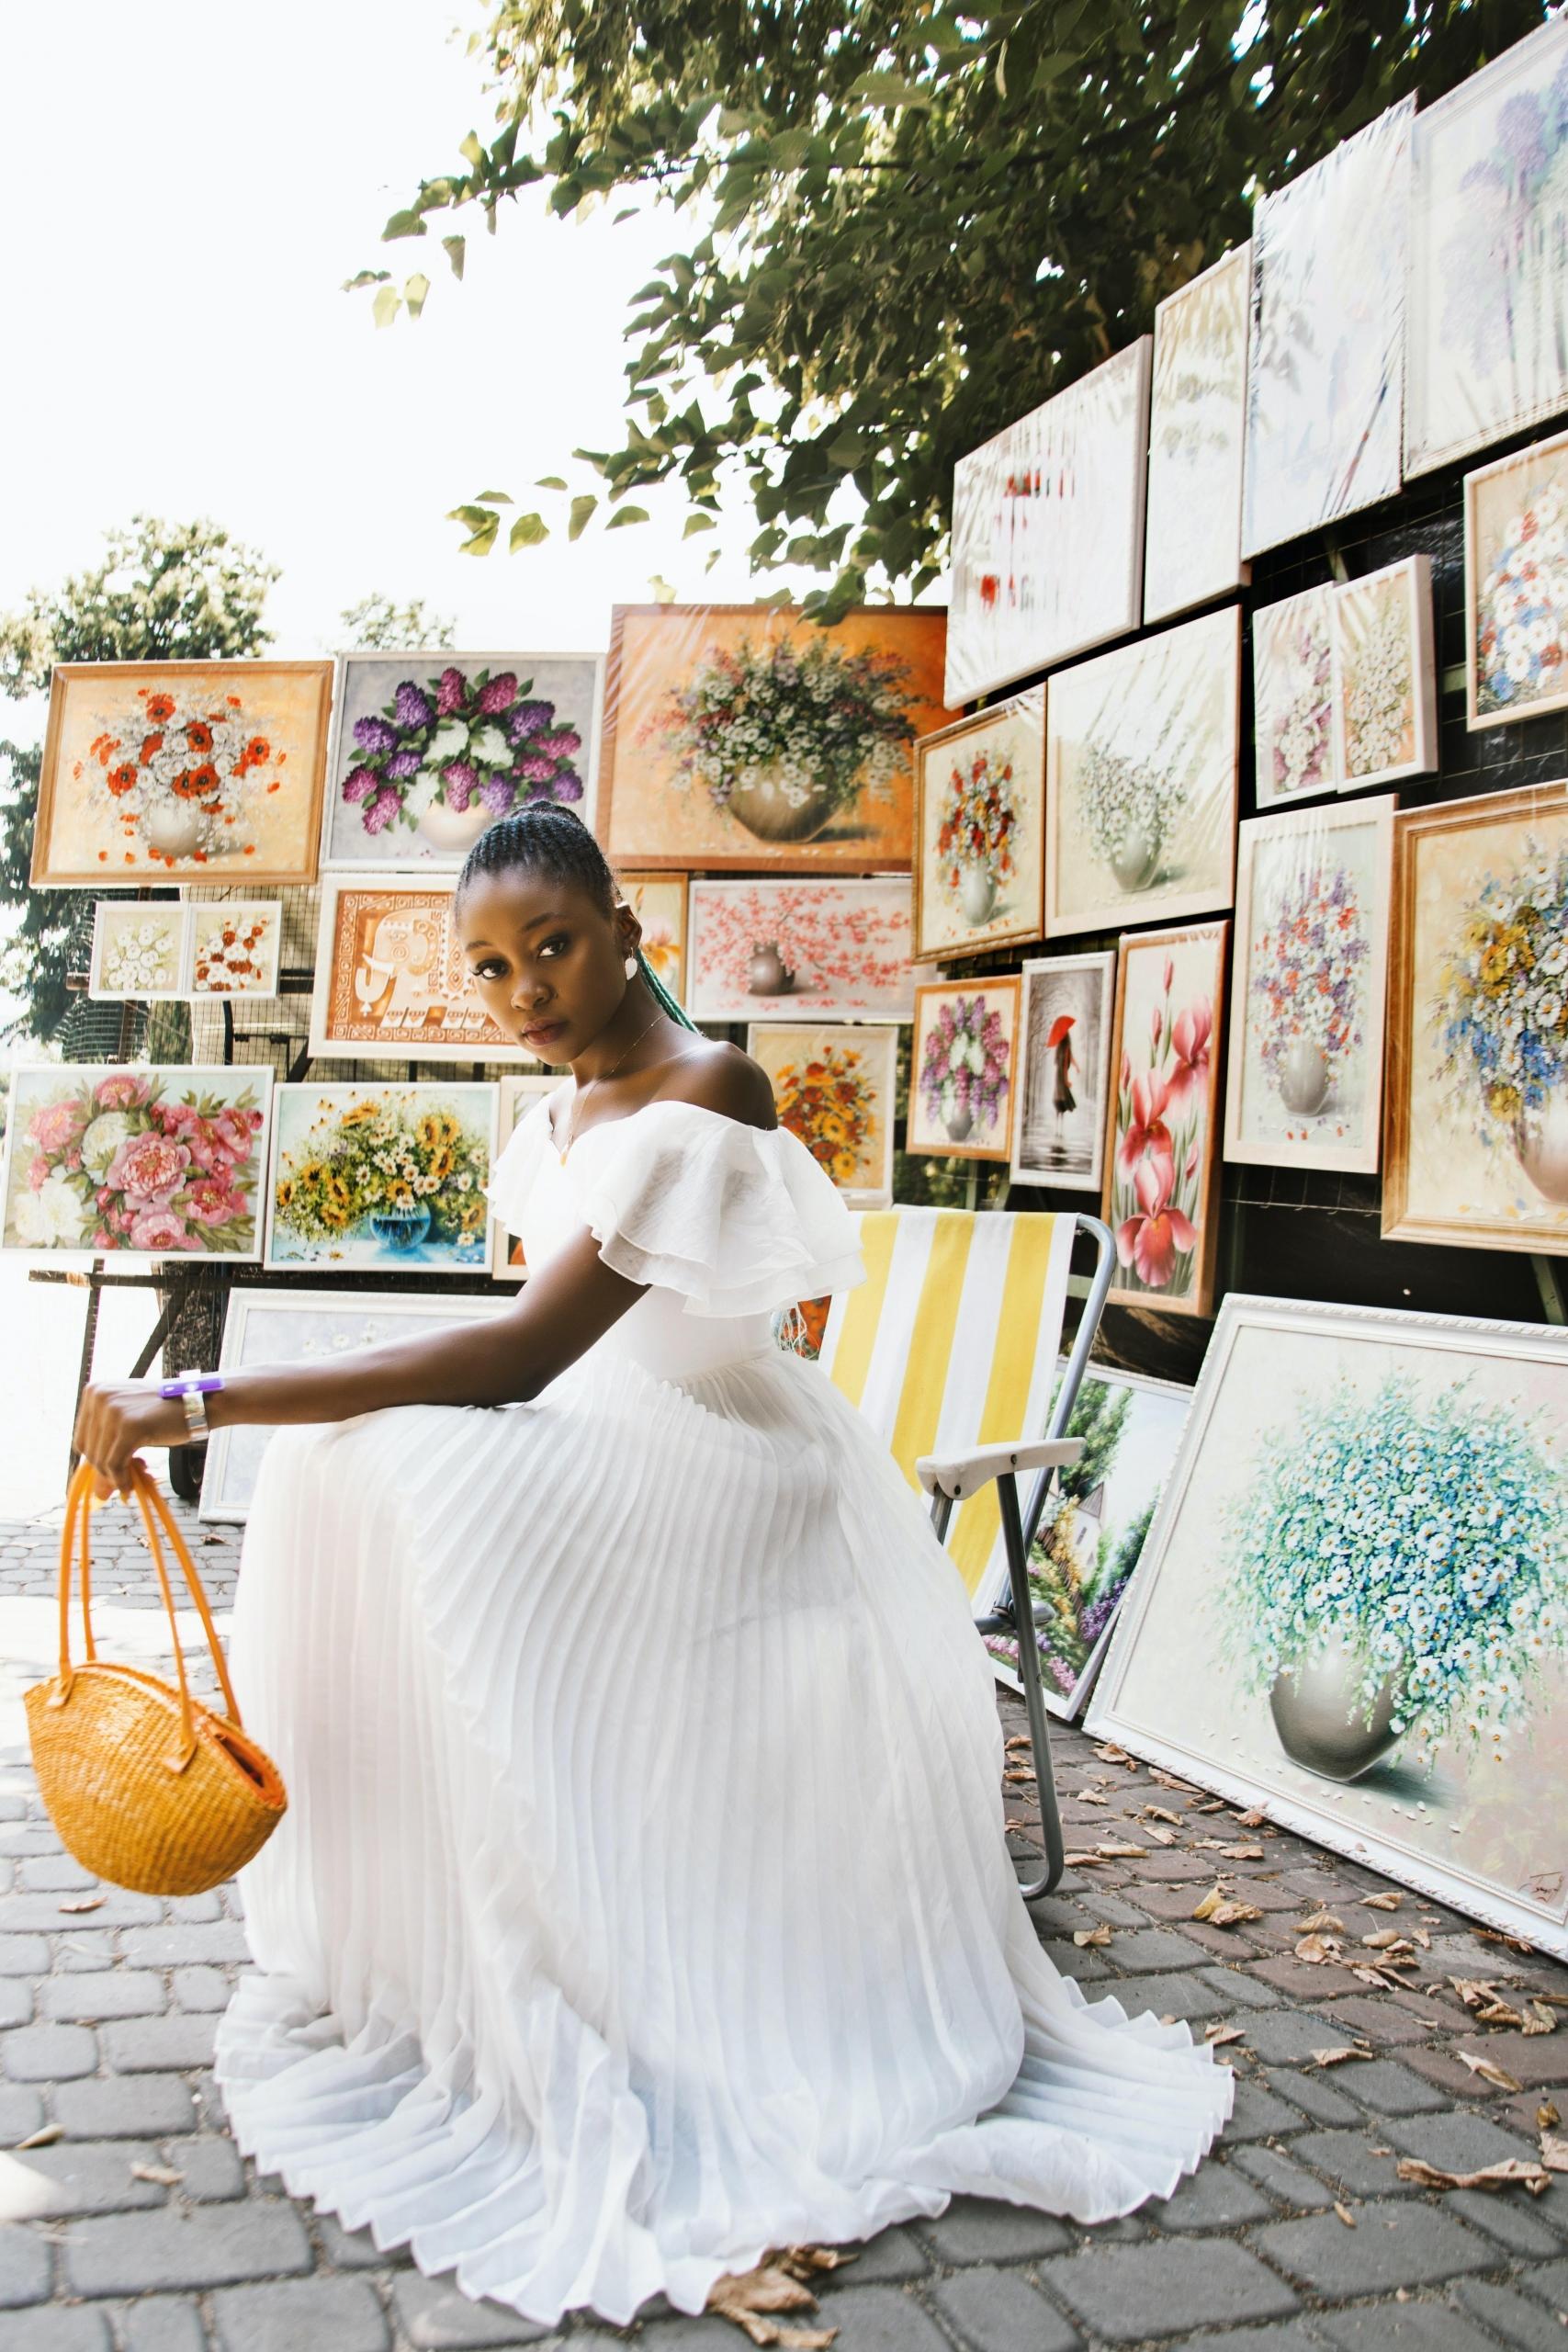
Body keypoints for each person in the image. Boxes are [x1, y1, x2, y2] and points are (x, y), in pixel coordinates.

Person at [73, 805, 1231, 2333]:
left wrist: (203, 1397)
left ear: (625, 927)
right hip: (601, 1438)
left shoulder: (710, 1085)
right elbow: (510, 1366)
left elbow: (515, 1351)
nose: (526, 992)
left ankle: (588, 1949)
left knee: (411, 1476)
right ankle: (453, 1948)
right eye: (489, 968)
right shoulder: (552, 1115)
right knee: (342, 1472)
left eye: (552, 944)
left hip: (730, 1462)